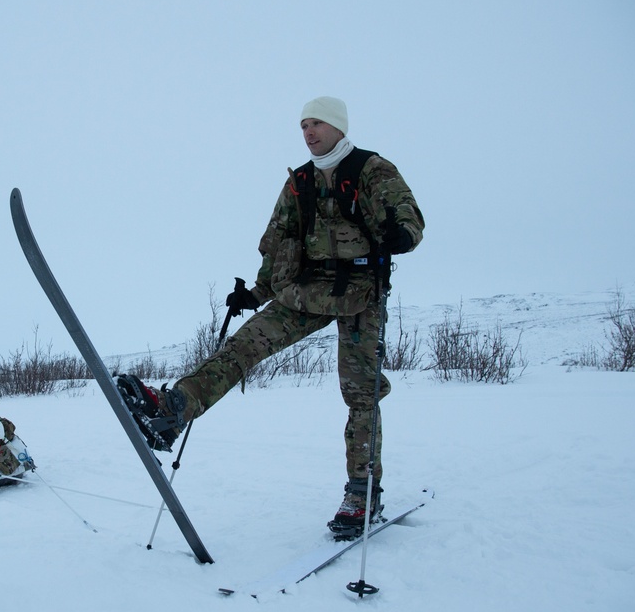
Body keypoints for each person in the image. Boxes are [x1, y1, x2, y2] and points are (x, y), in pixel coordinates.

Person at [117, 96, 424, 536]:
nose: (309, 132)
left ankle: (362, 492)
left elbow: (410, 218)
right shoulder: (299, 181)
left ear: (337, 126)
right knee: (241, 346)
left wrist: (401, 234)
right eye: (303, 125)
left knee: (360, 392)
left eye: (317, 123)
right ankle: (171, 410)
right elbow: (278, 239)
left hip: (360, 294)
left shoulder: (372, 169)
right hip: (304, 291)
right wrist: (257, 292)